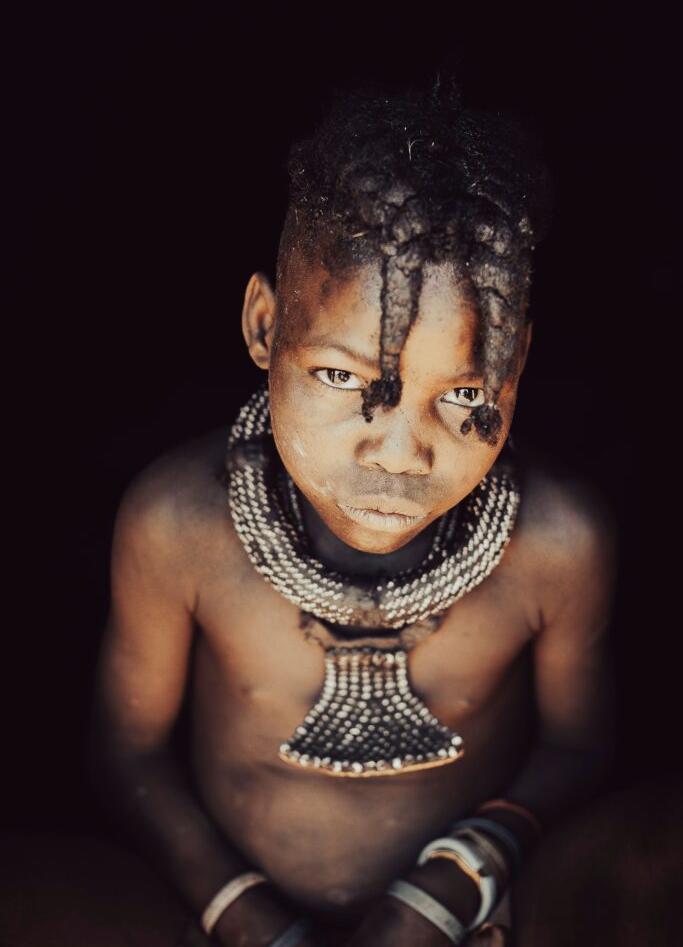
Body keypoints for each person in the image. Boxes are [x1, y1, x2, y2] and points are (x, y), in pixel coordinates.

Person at [89, 82, 617, 946]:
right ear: (264, 326)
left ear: (517, 359)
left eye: (466, 393)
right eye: (342, 378)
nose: (401, 452)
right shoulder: (177, 525)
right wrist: (250, 923)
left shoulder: (559, 543)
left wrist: (444, 896)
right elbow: (127, 755)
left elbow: (581, 750)